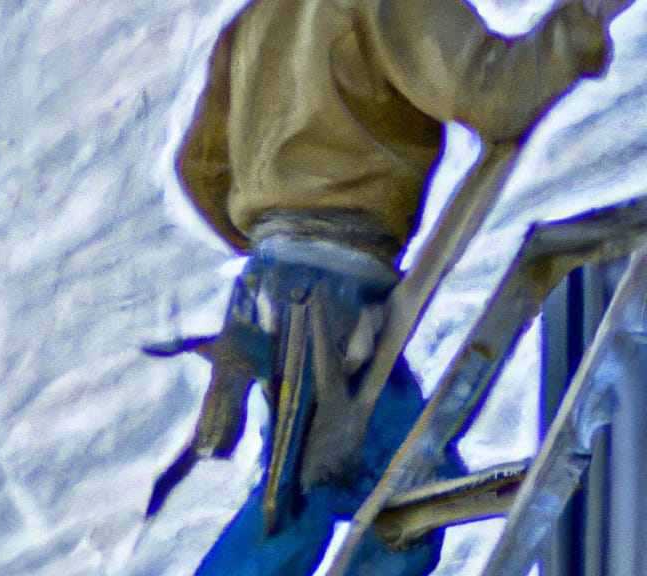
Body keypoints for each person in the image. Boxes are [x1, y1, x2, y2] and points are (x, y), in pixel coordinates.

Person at [149, 0, 633, 572]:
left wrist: (278, 239)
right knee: (327, 504)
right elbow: (494, 95)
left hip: (281, 286)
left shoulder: (258, 19)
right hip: (333, 294)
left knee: (381, 496)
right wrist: (579, 22)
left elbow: (199, 169)